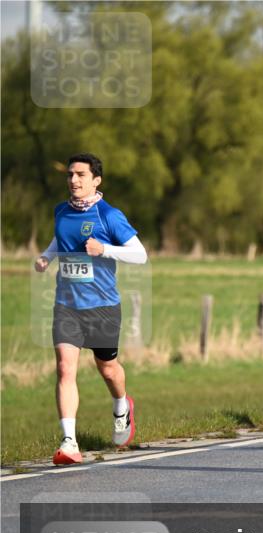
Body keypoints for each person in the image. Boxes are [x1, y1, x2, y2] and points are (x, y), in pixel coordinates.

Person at [34, 153, 148, 465]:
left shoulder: (108, 215)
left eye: (81, 175)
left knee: (108, 368)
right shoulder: (60, 211)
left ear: (96, 180)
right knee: (64, 368)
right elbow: (60, 241)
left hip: (103, 306)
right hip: (66, 305)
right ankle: (69, 442)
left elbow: (140, 255)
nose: (73, 180)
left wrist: (105, 249)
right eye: (70, 174)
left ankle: (122, 405)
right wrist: (47, 257)